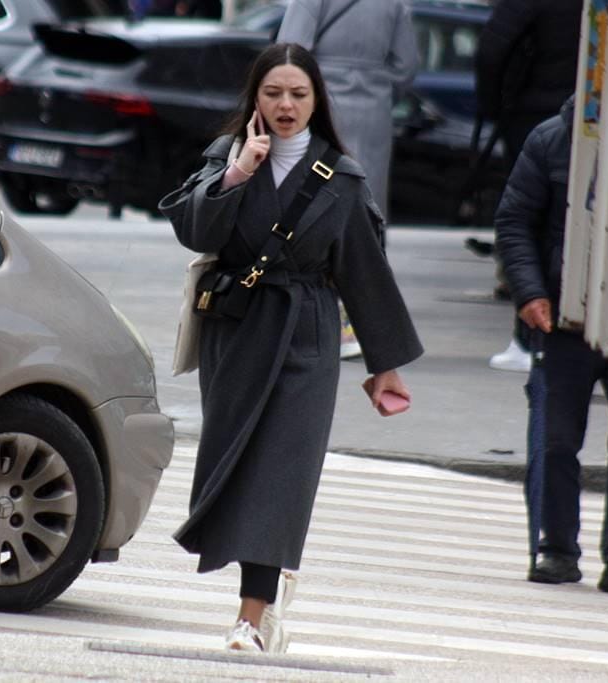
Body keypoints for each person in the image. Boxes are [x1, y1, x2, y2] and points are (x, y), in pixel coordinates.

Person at [159, 43, 423, 652]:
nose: (286, 105)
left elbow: (365, 273)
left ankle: (251, 619)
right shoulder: (226, 158)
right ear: (255, 98)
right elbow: (193, 231)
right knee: (239, 466)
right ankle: (268, 591)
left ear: (316, 100)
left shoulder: (341, 177)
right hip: (236, 332)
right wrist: (239, 173)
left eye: (298, 94)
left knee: (281, 474)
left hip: (306, 336)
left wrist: (384, 366)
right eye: (273, 93)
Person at [495, 95, 608, 594]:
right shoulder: (552, 139)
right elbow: (515, 221)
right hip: (564, 317)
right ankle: (557, 549)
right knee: (556, 437)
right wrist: (530, 293)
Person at [276, 0, 418, 359]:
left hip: (321, 104)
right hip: (374, 108)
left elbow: (290, 53)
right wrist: (377, 86)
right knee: (367, 209)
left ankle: (318, 316)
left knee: (314, 203)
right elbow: (407, 65)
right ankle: (362, 319)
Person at [475, 0, 584, 373]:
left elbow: (492, 48)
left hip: (533, 109)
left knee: (528, 222)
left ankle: (530, 335)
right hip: (590, 112)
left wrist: (495, 107)